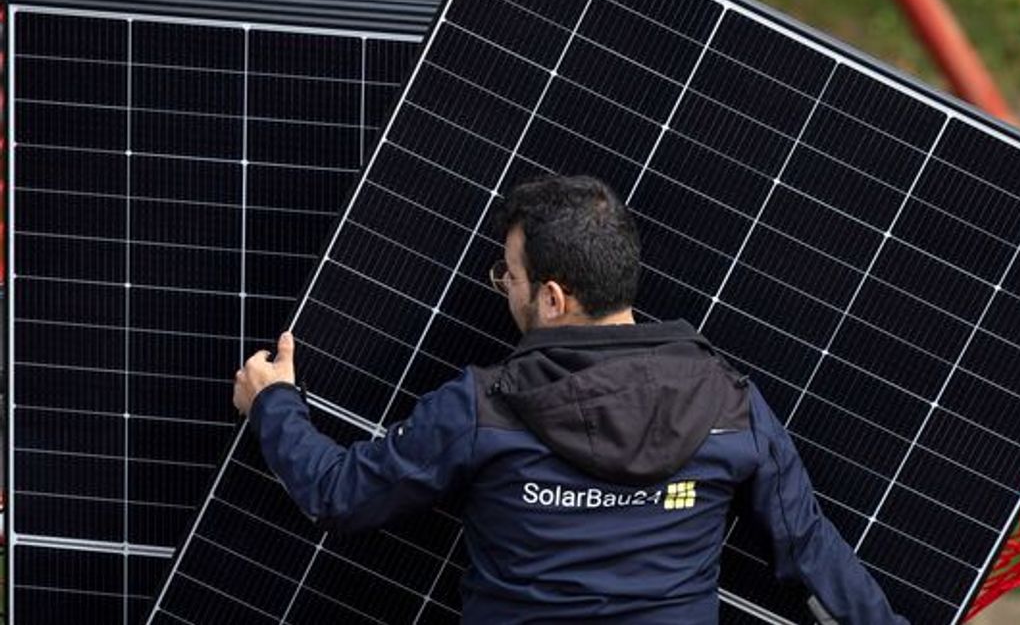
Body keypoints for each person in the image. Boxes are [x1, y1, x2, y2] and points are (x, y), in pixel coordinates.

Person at [234, 175, 905, 624]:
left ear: (552, 298)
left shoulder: (480, 407)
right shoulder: (730, 404)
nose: (504, 287)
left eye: (510, 274)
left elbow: (338, 496)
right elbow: (809, 552)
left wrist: (275, 403)